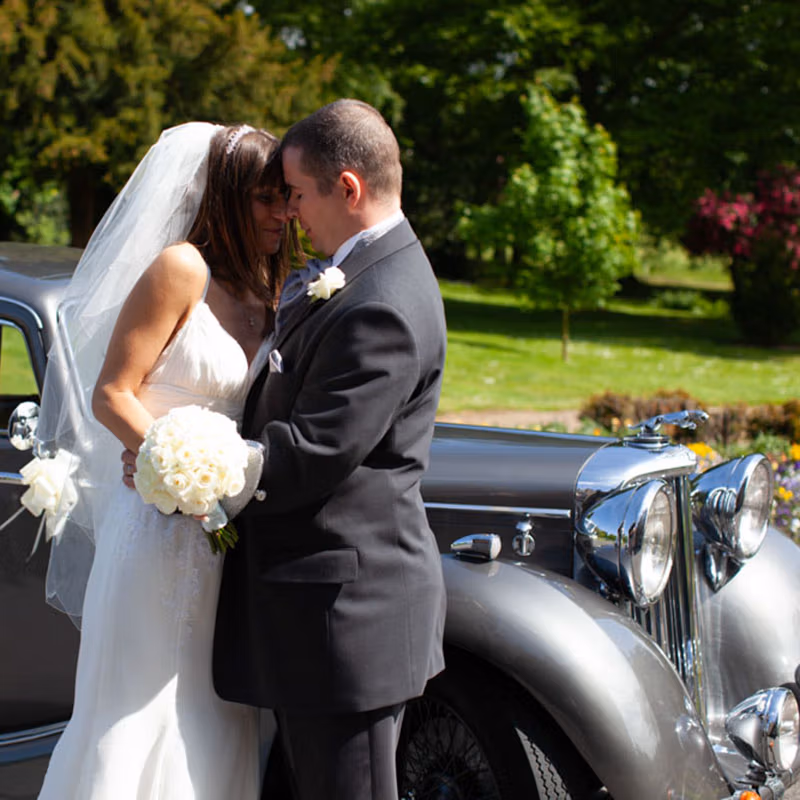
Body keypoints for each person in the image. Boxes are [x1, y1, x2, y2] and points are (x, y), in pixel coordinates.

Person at [36, 121, 292, 800]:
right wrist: (170, 460)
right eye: (266, 198)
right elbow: (112, 393)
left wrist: (220, 483)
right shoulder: (180, 268)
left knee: (216, 710)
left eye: (285, 198)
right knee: (141, 705)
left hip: (226, 530)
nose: (281, 214)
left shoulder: (268, 280)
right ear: (228, 198)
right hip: (155, 522)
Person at [212, 99, 448, 800]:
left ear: (347, 188)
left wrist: (194, 468)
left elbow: (315, 450)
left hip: (345, 621)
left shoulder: (382, 300)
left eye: (297, 194)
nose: (288, 213)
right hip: (318, 618)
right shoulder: (365, 273)